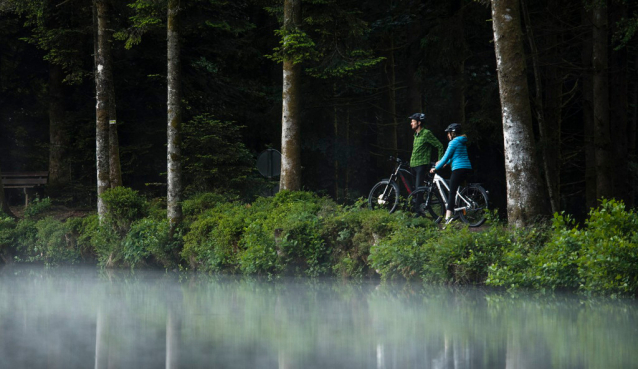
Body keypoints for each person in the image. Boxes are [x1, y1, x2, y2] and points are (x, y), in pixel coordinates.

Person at [430, 123, 472, 225]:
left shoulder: (453, 142)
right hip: (467, 168)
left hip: (458, 169)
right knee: (455, 188)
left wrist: (436, 168)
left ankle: (447, 218)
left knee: (451, 192)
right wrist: (445, 164)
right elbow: (455, 157)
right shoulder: (461, 141)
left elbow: (446, 156)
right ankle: (460, 211)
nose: (447, 135)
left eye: (448, 133)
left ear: (452, 133)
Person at [409, 113, 444, 215]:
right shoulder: (415, 135)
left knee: (419, 188)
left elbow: (439, 145)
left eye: (413, 121)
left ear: (419, 123)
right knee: (414, 189)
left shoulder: (426, 133)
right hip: (413, 164)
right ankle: (418, 209)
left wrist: (440, 160)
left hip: (422, 165)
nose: (411, 123)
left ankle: (418, 212)